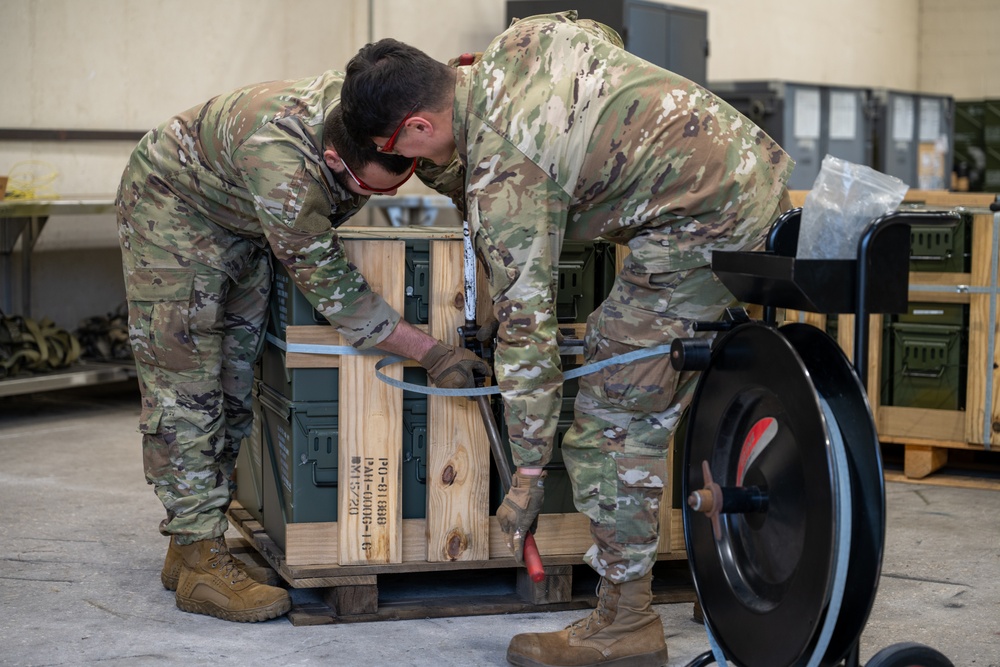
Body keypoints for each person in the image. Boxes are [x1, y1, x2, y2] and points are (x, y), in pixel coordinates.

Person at [340, 11, 792, 666]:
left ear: (418, 125)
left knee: (609, 419)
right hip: (742, 174)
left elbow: (531, 331)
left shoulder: (503, 170)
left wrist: (526, 473)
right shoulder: (516, 44)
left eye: (401, 151)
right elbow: (600, 39)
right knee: (618, 344)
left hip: (712, 226)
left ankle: (627, 622)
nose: (408, 163)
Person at [116, 71, 489, 623]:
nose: (380, 199)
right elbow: (339, 294)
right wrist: (432, 352)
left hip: (242, 215)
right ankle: (200, 562)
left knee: (236, 380)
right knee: (187, 391)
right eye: (372, 193)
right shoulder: (284, 170)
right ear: (338, 162)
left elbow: (445, 164)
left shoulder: (376, 117)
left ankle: (192, 542)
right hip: (172, 210)